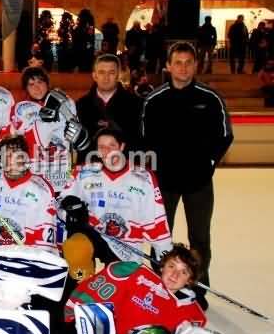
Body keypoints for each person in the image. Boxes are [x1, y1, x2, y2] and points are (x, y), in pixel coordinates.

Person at [140, 41, 233, 309]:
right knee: (161, 237)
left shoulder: (210, 98)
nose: (183, 68)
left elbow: (225, 135)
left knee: (200, 239)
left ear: (196, 65)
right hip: (164, 183)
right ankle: (161, 287)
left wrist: (210, 162)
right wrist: (151, 171)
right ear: (168, 66)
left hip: (198, 182)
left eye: (188, 62)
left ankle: (197, 289)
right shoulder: (154, 100)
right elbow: (144, 140)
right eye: (178, 63)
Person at [64, 244, 206, 334]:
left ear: (189, 280)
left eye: (183, 272)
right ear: (162, 266)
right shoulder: (135, 274)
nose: (175, 275)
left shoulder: (191, 313)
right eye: (171, 266)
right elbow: (86, 294)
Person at [60, 127, 172, 270]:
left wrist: (167, 257)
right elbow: (60, 202)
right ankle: (81, 280)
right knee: (76, 250)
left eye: (111, 146)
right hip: (93, 234)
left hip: (125, 247)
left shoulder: (143, 177)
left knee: (122, 279)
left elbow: (157, 221)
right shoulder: (84, 172)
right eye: (101, 147)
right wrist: (70, 210)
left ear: (121, 147)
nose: (106, 151)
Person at [0, 135, 56, 250]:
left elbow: (45, 244)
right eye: (5, 155)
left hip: (27, 251)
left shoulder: (41, 190)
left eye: (15, 155)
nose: (9, 160)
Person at [10, 66, 85, 194]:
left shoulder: (66, 102)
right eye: (31, 84)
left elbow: (74, 135)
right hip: (36, 169)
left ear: (47, 83)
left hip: (62, 166)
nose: (36, 87)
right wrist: (51, 120)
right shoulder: (21, 108)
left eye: (40, 82)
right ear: (26, 88)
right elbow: (31, 139)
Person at [75, 53, 141, 160]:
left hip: (125, 165)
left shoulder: (136, 104)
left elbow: (139, 142)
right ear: (94, 76)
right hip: (90, 165)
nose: (106, 78)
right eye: (101, 72)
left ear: (118, 75)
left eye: (111, 73)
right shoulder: (81, 105)